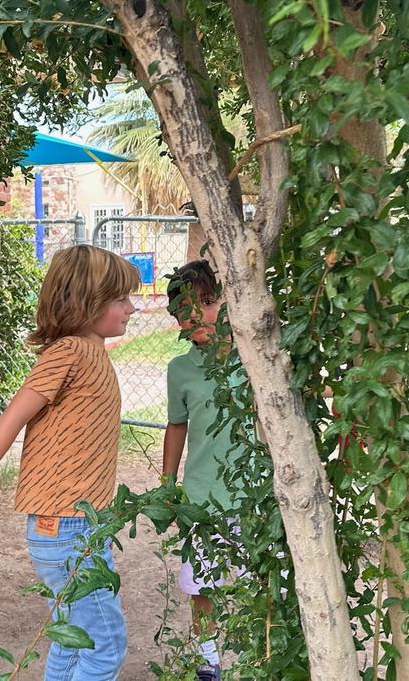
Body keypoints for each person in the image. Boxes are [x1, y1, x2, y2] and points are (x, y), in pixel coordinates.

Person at [0, 244, 139, 681]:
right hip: (66, 526)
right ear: (87, 302)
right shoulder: (69, 352)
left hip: (78, 525)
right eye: (121, 298)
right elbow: (9, 421)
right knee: (104, 647)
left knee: (70, 639)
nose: (132, 307)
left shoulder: (89, 351)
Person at [162, 260, 242, 681]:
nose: (196, 316)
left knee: (260, 584)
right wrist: (166, 486)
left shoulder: (254, 358)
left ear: (227, 302)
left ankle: (255, 656)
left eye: (207, 303)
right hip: (201, 498)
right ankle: (208, 663)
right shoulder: (181, 370)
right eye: (184, 309)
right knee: (202, 586)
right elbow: (176, 426)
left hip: (255, 497)